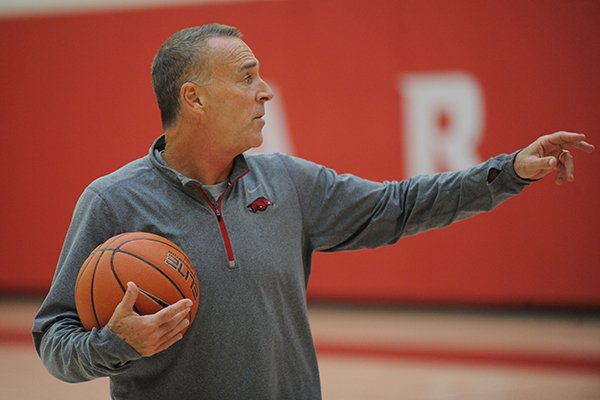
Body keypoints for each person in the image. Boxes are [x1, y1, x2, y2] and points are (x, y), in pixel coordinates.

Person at [32, 23, 594, 399]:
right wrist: (114, 345)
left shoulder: (289, 183)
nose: (266, 91)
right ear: (194, 98)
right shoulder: (112, 201)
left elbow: (401, 205)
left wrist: (511, 170)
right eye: (247, 77)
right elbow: (55, 340)